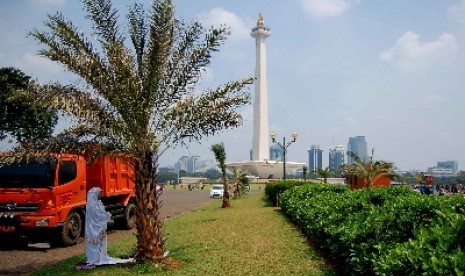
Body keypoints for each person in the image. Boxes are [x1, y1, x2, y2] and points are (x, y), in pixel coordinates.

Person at [84, 187, 133, 268]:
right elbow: (97, 217)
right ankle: (93, 260)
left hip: (100, 228)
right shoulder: (91, 205)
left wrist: (106, 215)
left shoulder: (98, 203)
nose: (101, 195)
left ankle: (101, 257)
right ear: (94, 194)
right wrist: (107, 216)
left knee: (101, 244)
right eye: (99, 193)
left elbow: (101, 213)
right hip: (93, 229)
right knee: (94, 245)